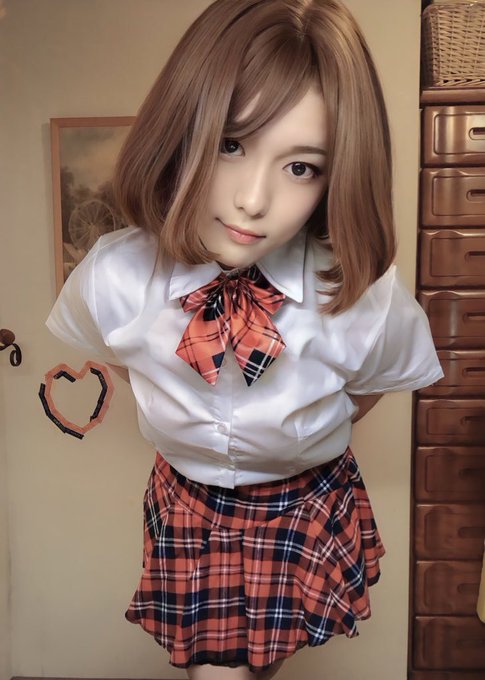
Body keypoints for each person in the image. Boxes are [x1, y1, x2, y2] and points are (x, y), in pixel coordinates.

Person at [46, 1, 444, 678]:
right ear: (180, 130)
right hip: (186, 499)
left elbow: (370, 386)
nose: (253, 200)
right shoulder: (114, 277)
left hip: (302, 501)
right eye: (230, 144)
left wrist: (302, 436)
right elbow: (125, 358)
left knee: (256, 665)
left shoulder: (363, 296)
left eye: (301, 167)